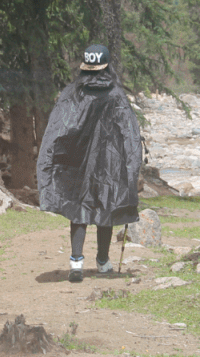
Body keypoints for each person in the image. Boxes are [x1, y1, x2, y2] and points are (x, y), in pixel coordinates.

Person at [36, 45, 142, 282]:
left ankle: (76, 263)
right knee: (106, 207)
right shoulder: (115, 94)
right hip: (109, 163)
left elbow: (58, 127)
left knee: (79, 208)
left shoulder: (74, 92)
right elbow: (129, 133)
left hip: (78, 162)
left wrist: (54, 158)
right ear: (108, 67)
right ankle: (103, 262)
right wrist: (132, 165)